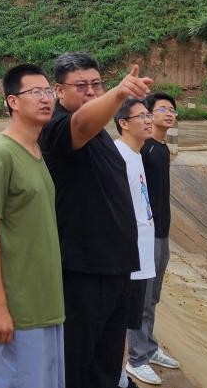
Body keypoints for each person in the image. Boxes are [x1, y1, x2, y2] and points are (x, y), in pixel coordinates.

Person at [39, 52, 152, 388]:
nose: (91, 91)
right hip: (84, 271)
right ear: (59, 91)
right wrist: (118, 93)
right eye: (81, 86)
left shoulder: (101, 133)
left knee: (107, 360)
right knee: (77, 362)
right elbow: (81, 124)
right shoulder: (57, 127)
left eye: (96, 84)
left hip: (115, 268)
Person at [0, 63, 65, 388]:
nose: (46, 98)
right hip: (18, 307)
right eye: (35, 92)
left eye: (48, 91)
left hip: (45, 302)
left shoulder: (36, 151)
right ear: (13, 101)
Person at [125, 93, 181, 385]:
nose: (168, 114)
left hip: (162, 233)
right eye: (161, 109)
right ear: (148, 114)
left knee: (153, 297)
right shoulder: (144, 149)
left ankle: (149, 346)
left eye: (172, 110)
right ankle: (137, 359)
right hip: (146, 235)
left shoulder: (161, 148)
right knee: (142, 298)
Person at [112, 99, 156, 388]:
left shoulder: (136, 154)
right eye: (142, 116)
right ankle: (116, 375)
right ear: (123, 123)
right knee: (117, 321)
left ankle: (119, 372)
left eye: (149, 114)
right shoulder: (119, 155)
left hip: (142, 252)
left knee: (131, 317)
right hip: (128, 256)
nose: (148, 120)